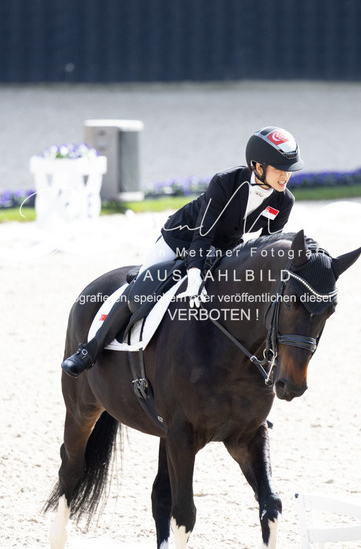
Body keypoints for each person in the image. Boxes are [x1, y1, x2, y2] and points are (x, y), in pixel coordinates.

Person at [61, 125, 304, 378]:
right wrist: (195, 274)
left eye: (289, 170)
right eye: (279, 169)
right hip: (180, 238)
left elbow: (264, 247)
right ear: (258, 166)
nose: (285, 176)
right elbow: (203, 233)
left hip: (222, 248)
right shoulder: (226, 182)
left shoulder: (284, 201)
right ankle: (89, 350)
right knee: (141, 290)